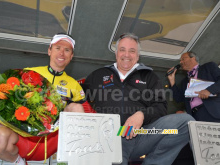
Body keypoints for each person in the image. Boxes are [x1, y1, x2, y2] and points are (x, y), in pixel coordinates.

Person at [82, 33, 194, 165]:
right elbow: (79, 98)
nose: (126, 55)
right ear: (116, 52)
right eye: (122, 50)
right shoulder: (99, 75)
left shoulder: (149, 76)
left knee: (185, 122)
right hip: (111, 136)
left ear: (138, 55)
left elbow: (161, 107)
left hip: (142, 133)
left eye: (132, 51)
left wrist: (141, 115)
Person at [0, 33, 95, 164]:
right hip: (22, 139)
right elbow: (6, 101)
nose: (62, 53)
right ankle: (18, 162)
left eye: (67, 50)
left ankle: (68, 159)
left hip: (53, 141)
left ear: (71, 56)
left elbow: (88, 114)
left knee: (76, 107)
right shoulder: (28, 73)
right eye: (58, 48)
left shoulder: (74, 85)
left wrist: (111, 127)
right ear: (49, 50)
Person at [167, 51, 220, 122]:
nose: (181, 62)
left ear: (193, 58)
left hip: (212, 112)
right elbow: (178, 99)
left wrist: (209, 90)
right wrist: (172, 81)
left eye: (183, 59)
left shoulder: (208, 67)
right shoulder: (184, 82)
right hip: (195, 117)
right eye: (180, 60)